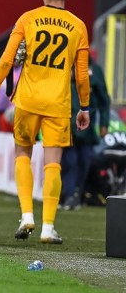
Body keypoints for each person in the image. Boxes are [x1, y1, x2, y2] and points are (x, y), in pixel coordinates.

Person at [0, 0, 90, 244]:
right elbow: (82, 74)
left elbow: (7, 59)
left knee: (22, 153)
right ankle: (48, 227)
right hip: (58, 102)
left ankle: (27, 214)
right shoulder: (77, 26)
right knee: (53, 163)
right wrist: (84, 107)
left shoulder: (28, 18)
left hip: (28, 100)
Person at [60, 55, 110, 210]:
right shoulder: (63, 65)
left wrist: (104, 124)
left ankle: (77, 194)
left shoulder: (95, 71)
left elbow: (104, 100)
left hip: (87, 124)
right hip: (66, 121)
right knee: (70, 161)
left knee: (85, 160)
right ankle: (68, 195)